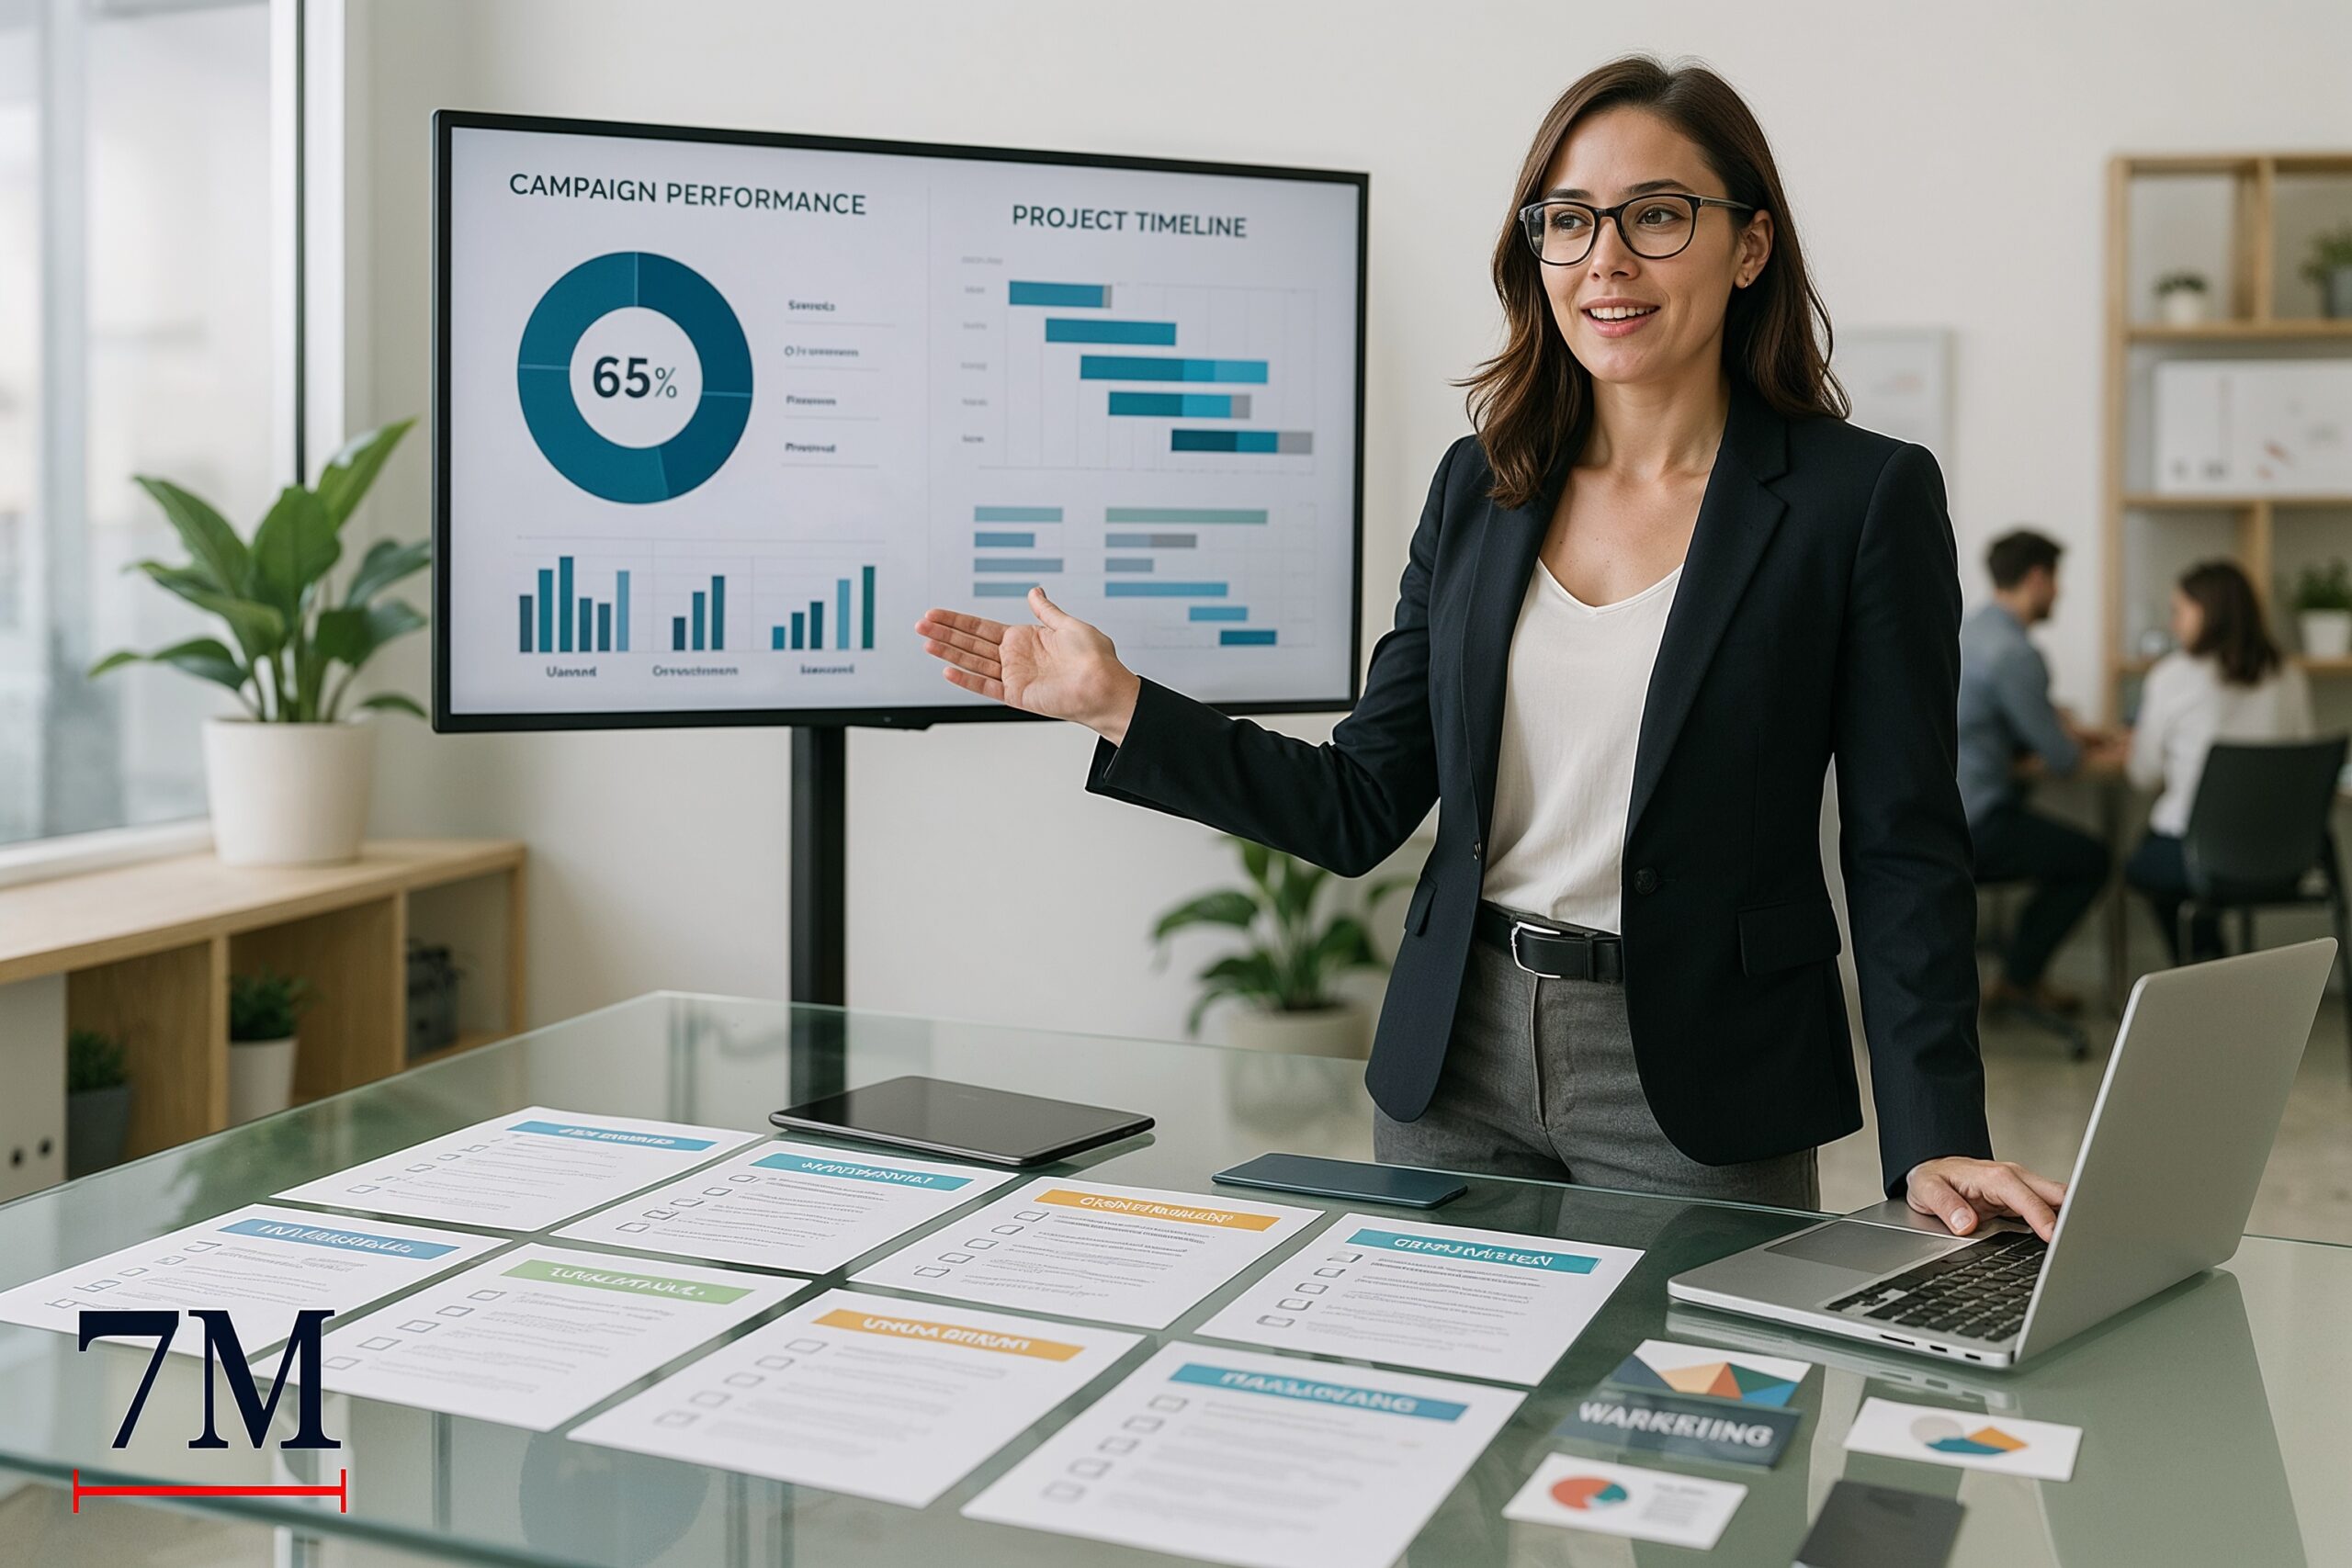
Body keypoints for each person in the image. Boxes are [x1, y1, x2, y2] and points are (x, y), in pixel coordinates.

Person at [916, 56, 2064, 1240]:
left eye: (1655, 216)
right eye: (1567, 222)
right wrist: (1119, 704)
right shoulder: (1483, 486)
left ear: (1750, 245)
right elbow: (1363, 800)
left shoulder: (1857, 498)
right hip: (1453, 1062)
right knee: (1451, 1415)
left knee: (1684, 1421)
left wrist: (1934, 1137)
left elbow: (1902, 844)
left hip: (1698, 1077)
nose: (1605, 259)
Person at [1957, 529, 2124, 1015]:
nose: (2060, 593)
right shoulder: (2016, 654)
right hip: (1977, 823)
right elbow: (2064, 761)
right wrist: (2072, 736)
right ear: (2036, 579)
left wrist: (2055, 723)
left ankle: (2020, 974)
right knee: (2090, 858)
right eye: (2057, 581)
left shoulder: (1968, 632)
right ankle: (2019, 976)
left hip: (1941, 814)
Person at [2124, 560, 2314, 962]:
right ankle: (2213, 964)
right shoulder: (2289, 675)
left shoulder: (2172, 676)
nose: (2173, 624)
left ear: (2209, 613)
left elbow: (2143, 775)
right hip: (2282, 855)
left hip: (2199, 858)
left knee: (2145, 862)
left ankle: (2199, 970)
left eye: (2179, 612)